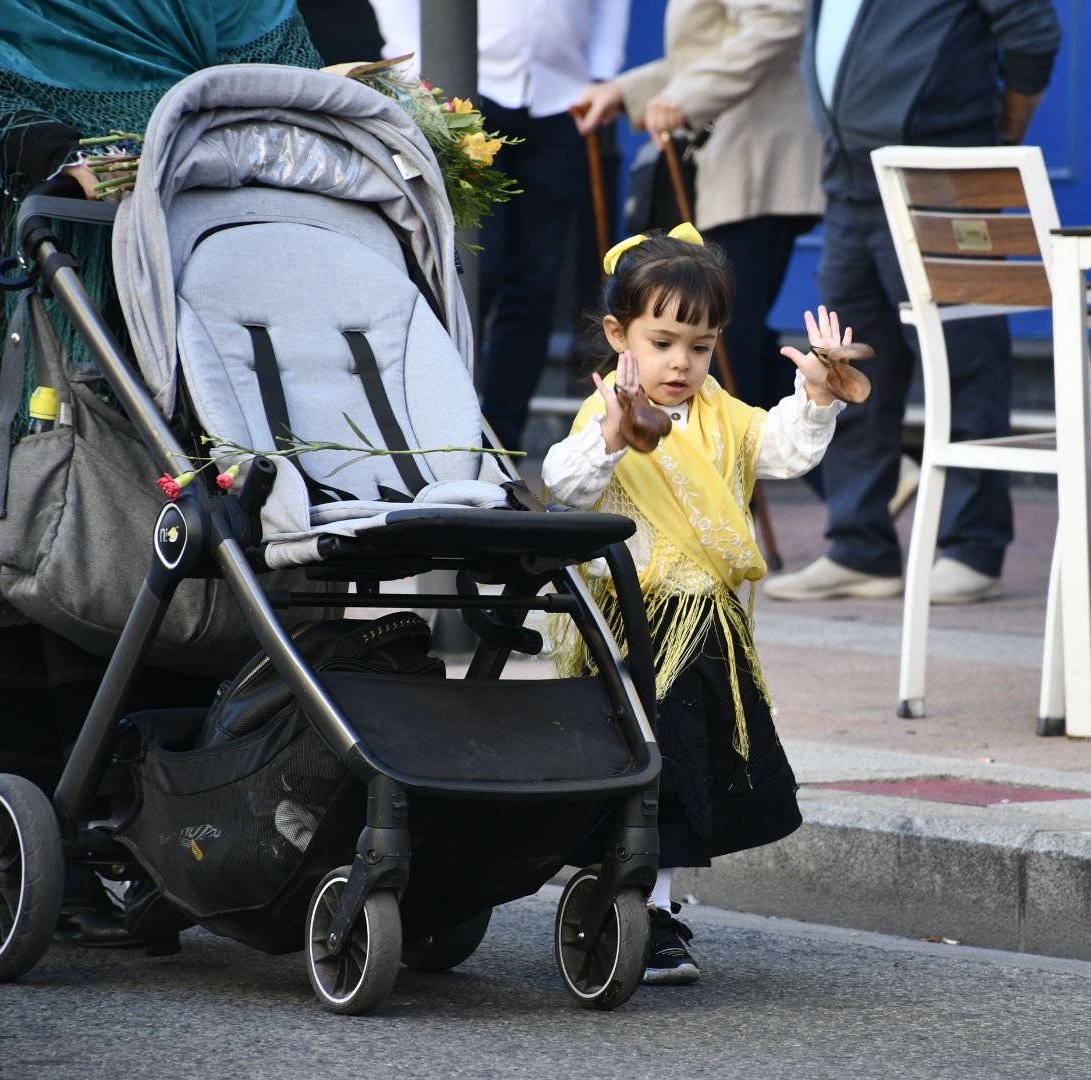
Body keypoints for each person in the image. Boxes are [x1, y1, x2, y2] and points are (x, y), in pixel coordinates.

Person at [0, 0, 324, 945]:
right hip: (38, 216)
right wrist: (12, 126)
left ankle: (150, 818)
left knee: (148, 530)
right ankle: (23, 824)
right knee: (48, 515)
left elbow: (277, 54)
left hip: (180, 231)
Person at [544, 225, 852, 984]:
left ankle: (657, 904)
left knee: (692, 771)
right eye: (663, 341)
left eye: (701, 344)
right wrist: (611, 439)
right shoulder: (605, 413)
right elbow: (562, 482)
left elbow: (783, 448)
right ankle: (637, 902)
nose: (682, 362)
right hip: (637, 626)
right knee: (651, 766)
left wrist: (815, 394)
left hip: (708, 627)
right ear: (620, 336)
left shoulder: (722, 414)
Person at [761, 0, 1061, 605]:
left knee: (964, 360)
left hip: (939, 171)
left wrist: (998, 128)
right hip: (850, 178)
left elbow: (1032, 29)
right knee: (847, 363)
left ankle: (972, 548)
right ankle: (859, 545)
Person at [369, 0, 629, 452]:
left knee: (535, 286)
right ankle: (441, 431)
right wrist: (415, 64)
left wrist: (603, 71)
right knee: (471, 274)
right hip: (464, 91)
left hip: (563, 96)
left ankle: (502, 446)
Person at [575, 0, 824, 413]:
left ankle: (747, 468)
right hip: (728, 170)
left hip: (753, 168)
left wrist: (685, 97)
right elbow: (703, 53)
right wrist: (628, 91)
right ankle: (843, 468)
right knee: (735, 344)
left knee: (723, 346)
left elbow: (778, 23)